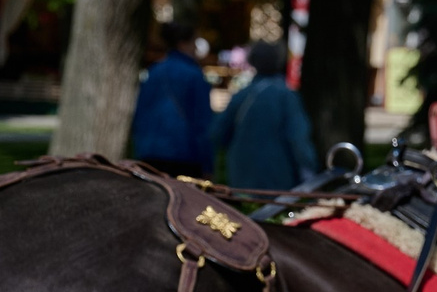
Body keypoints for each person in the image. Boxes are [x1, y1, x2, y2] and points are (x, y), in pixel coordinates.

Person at [210, 40, 319, 192]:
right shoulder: (286, 96)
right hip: (278, 176)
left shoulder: (242, 95)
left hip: (241, 174)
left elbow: (218, 133)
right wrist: (309, 170)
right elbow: (298, 137)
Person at [128, 22, 212, 172]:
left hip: (149, 153)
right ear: (182, 44)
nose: (196, 47)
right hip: (184, 155)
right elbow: (202, 122)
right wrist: (207, 164)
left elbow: (140, 115)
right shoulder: (193, 75)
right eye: (194, 42)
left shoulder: (153, 71)